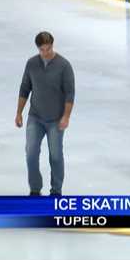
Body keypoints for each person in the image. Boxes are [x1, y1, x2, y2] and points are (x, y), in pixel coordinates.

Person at [15, 31, 75, 196]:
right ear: (38, 49)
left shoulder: (64, 66)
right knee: (31, 154)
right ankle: (35, 189)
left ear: (52, 46)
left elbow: (70, 93)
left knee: (55, 156)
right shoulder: (31, 64)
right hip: (35, 118)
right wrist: (19, 113)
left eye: (48, 48)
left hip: (56, 120)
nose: (46, 52)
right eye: (42, 49)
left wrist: (66, 116)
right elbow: (24, 88)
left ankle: (56, 191)